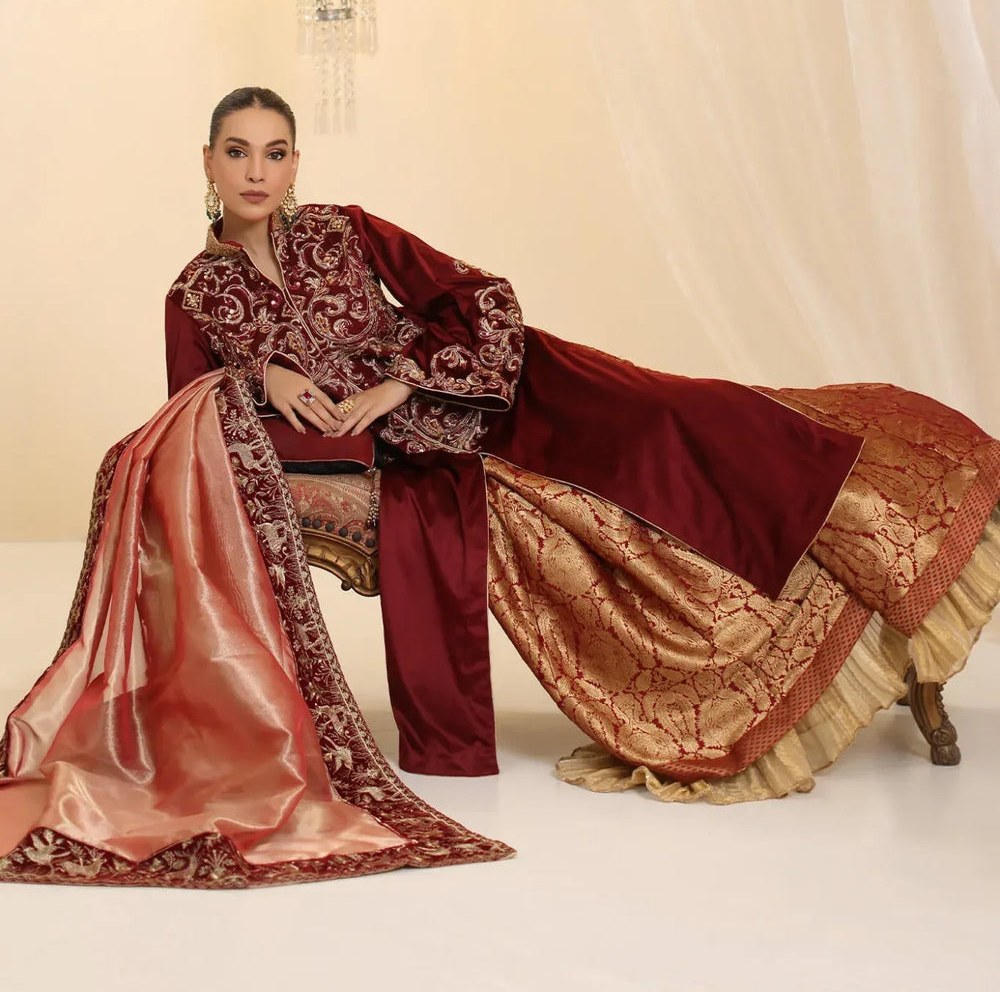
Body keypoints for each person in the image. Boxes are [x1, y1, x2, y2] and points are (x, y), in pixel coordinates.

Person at [1, 87, 997, 888]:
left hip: (493, 390)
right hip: (413, 458)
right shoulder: (196, 294)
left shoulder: (345, 231)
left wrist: (403, 378)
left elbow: (477, 295)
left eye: (274, 152)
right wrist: (258, 378)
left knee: (678, 417)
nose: (256, 171)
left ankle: (869, 494)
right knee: (629, 509)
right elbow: (184, 421)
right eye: (237, 152)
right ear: (208, 162)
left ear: (296, 163)